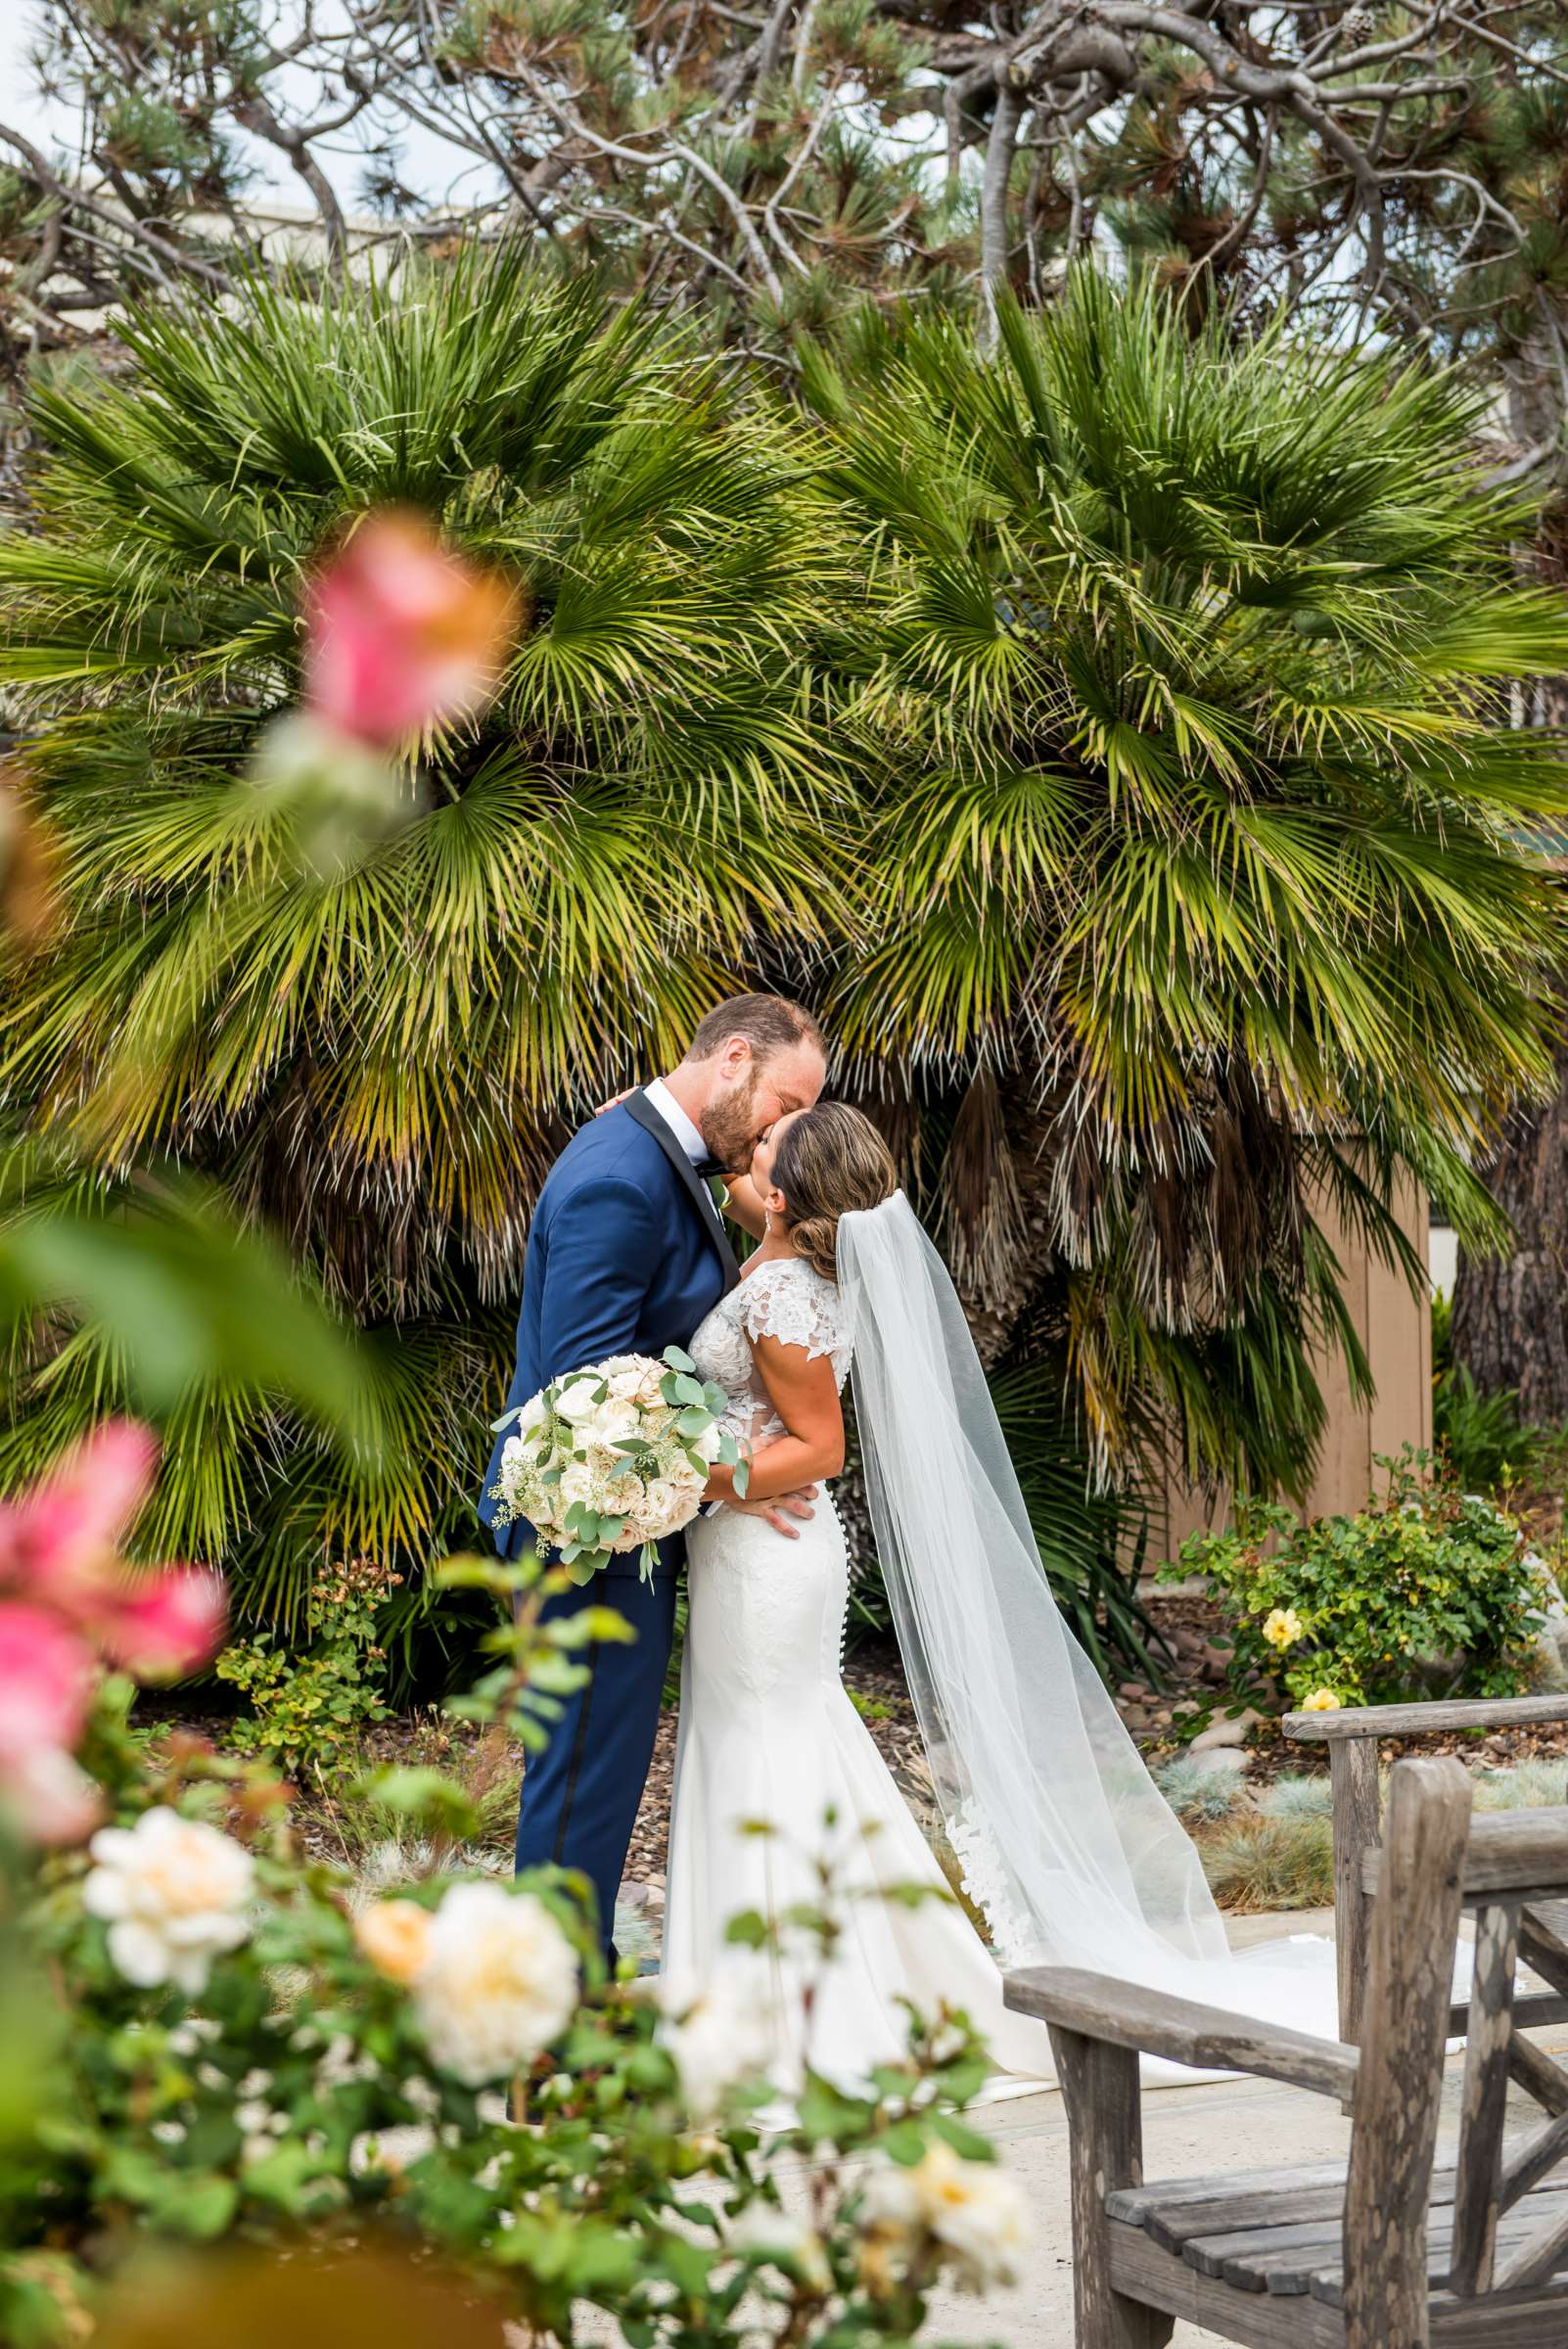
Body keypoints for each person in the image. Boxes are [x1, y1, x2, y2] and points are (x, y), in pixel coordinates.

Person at [665, 1100, 1340, 2096]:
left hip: (768, 1556)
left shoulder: (784, 1298)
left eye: (766, 1142)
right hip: (750, 1553)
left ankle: (803, 2013)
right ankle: (776, 1991)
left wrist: (686, 1482)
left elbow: (820, 1449)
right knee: (777, 1745)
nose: (747, 1142)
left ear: (792, 1188)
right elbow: (724, 1201)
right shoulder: (784, 1269)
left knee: (773, 1747)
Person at [478, 994, 825, 1958]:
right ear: (733, 1061)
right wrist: (739, 1476)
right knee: (581, 1791)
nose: (783, 1131)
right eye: (783, 1102)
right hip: (584, 1541)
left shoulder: (657, 1150)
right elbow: (586, 1408)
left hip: (625, 1531)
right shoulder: (622, 1181)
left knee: (596, 1785)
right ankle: (546, 2050)